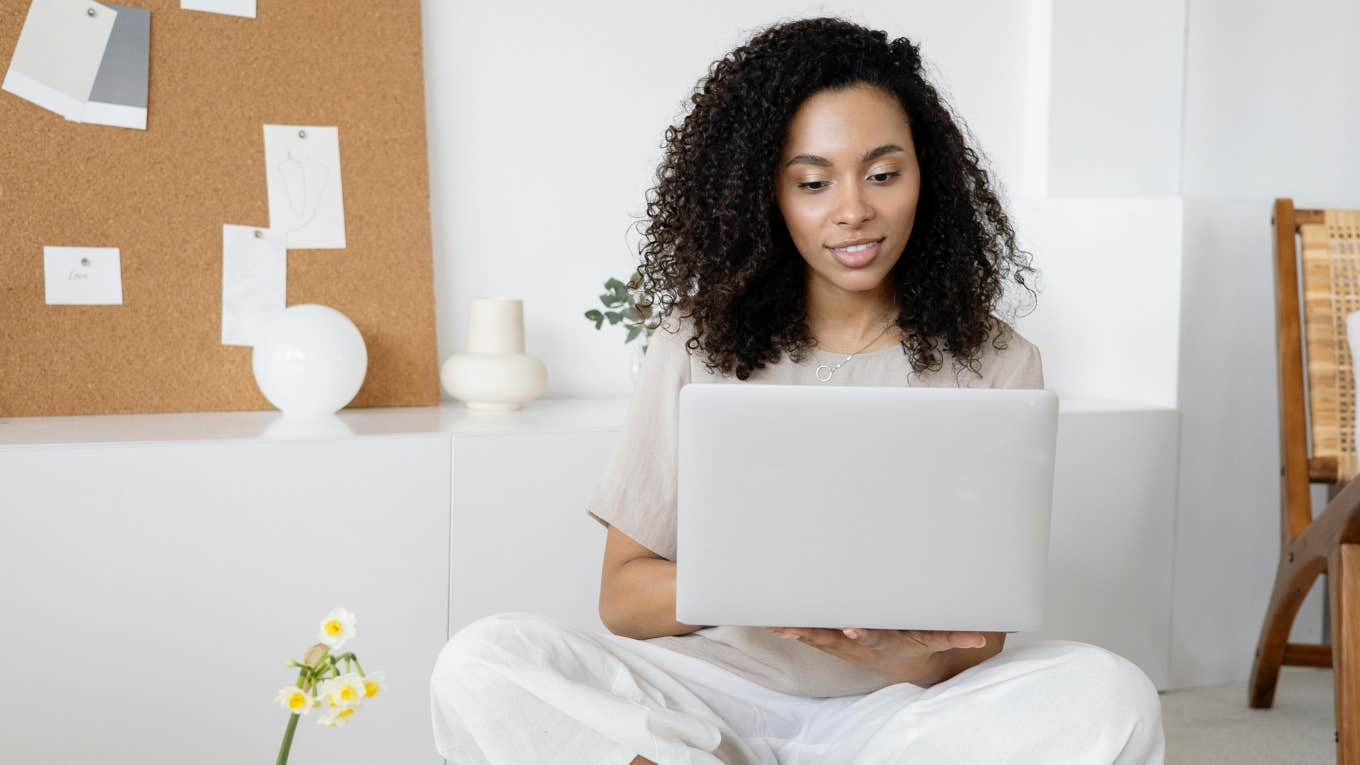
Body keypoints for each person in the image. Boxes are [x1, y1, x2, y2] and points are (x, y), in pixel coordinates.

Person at [430, 16, 1165, 764]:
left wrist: (892, 651)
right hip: (709, 698)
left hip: (899, 715)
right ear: (767, 197)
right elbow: (622, 597)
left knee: (1112, 695)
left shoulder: (999, 360)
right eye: (813, 182)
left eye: (883, 173)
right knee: (483, 662)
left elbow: (984, 635)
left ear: (926, 177)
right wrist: (757, 587)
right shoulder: (695, 342)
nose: (853, 210)